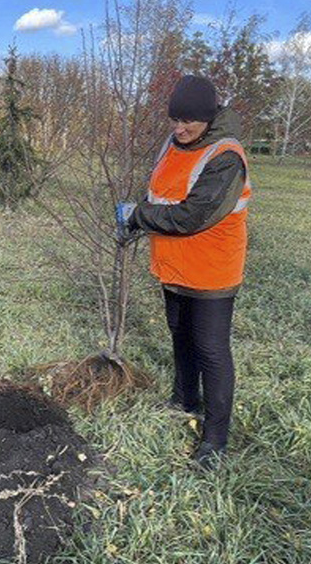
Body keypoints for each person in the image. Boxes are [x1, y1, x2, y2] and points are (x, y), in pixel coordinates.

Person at [116, 75, 252, 470]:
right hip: (173, 265)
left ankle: (215, 437)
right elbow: (162, 192)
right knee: (179, 333)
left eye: (188, 121)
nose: (180, 128)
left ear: (208, 118)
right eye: (175, 120)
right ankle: (184, 398)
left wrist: (138, 215)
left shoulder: (226, 156)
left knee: (211, 348)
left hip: (211, 269)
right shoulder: (173, 144)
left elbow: (195, 215)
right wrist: (137, 214)